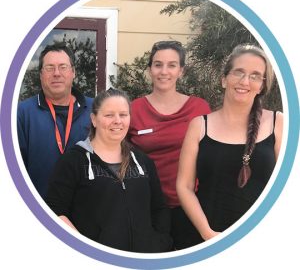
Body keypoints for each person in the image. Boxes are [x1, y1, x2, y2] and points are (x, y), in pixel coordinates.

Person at [176, 44, 283, 244]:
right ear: (224, 79)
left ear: (262, 85)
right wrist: (208, 233)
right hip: (205, 239)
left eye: (255, 76)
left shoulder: (278, 123)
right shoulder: (200, 125)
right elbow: (184, 186)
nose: (245, 81)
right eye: (239, 72)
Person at [46, 88, 173, 253]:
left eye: (123, 114)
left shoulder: (143, 161)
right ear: (94, 119)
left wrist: (158, 243)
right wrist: (85, 250)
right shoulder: (73, 161)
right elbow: (55, 211)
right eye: (109, 115)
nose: (117, 121)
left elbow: (159, 208)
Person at [128, 40, 211, 249]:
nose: (164, 71)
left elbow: (213, 155)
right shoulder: (133, 109)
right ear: (149, 69)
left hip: (192, 206)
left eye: (172, 65)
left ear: (181, 71)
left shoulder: (199, 108)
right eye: (158, 64)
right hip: (148, 207)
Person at [17, 43, 93, 198]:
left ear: (73, 72)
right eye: (50, 68)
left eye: (63, 67)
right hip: (39, 208)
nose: (57, 73)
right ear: (40, 74)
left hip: (88, 211)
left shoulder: (95, 109)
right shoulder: (22, 113)